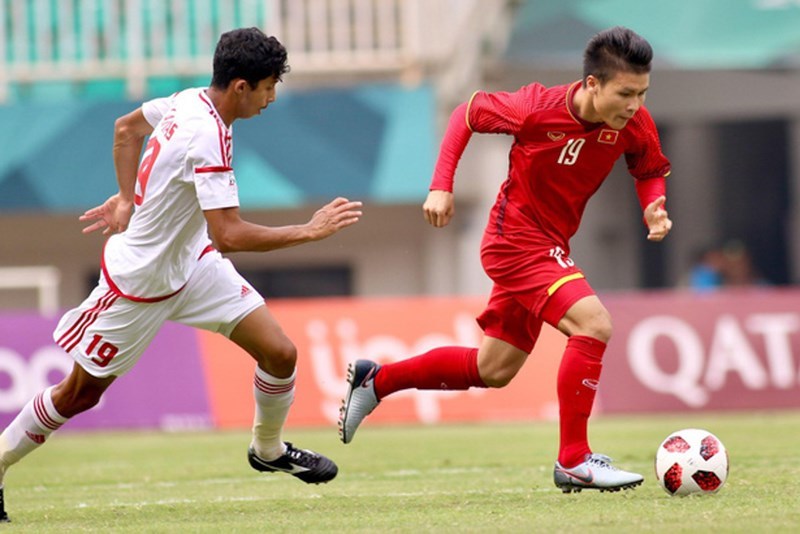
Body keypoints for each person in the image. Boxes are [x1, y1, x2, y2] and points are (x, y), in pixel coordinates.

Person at [0, 27, 362, 521]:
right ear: (241, 87)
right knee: (79, 394)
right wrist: (309, 230)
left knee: (280, 352)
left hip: (192, 263)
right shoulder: (207, 134)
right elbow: (230, 233)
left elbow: (126, 129)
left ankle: (268, 450)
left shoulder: (187, 100)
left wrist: (129, 199)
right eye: (269, 86)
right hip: (140, 286)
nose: (272, 97)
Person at [339, 26, 672, 493]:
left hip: (551, 244)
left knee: (493, 369)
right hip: (514, 241)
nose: (635, 105)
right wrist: (441, 184)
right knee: (593, 324)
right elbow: (467, 113)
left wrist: (652, 205)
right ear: (593, 85)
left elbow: (650, 169)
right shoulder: (536, 108)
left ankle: (377, 381)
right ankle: (574, 460)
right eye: (625, 93)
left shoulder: (634, 122)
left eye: (642, 93)